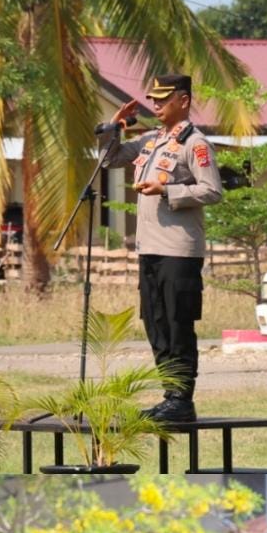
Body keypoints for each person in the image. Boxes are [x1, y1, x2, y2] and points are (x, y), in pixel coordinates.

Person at [102, 74, 223, 423]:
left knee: (177, 321)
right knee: (156, 323)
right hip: (150, 247)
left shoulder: (195, 144)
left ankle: (182, 399)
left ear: (183, 101)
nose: (155, 105)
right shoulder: (150, 140)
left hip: (179, 250)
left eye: (163, 99)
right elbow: (110, 160)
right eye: (152, 99)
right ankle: (169, 395)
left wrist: (167, 190)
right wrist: (114, 126)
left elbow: (212, 191)